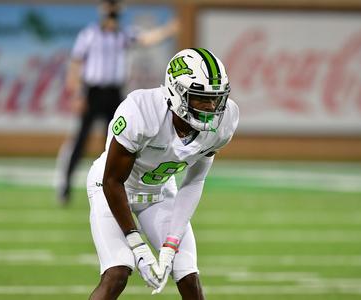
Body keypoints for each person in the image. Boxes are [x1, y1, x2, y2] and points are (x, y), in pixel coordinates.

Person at [86, 48, 239, 299]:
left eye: (216, 98)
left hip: (158, 191)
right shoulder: (141, 111)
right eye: (201, 97)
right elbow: (112, 180)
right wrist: (137, 244)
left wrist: (170, 245)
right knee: (118, 272)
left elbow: (195, 181)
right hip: (112, 189)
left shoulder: (225, 120)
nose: (212, 107)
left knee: (187, 274)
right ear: (177, 93)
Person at [56, 0, 179, 205]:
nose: (112, 14)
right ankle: (65, 187)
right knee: (81, 141)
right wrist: (77, 93)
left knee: (113, 142)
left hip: (114, 93)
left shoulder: (124, 34)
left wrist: (168, 30)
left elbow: (147, 39)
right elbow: (76, 63)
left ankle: (106, 187)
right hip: (93, 92)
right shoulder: (89, 34)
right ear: (104, 11)